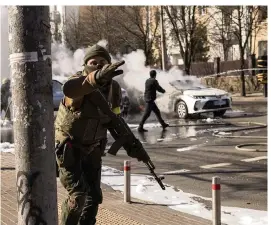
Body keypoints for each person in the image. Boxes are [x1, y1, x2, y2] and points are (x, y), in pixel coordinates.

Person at [54, 44, 125, 225]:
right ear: (86, 65)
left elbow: (115, 116)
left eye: (103, 62)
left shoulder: (114, 88)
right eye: (94, 62)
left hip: (93, 147)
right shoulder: (77, 82)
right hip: (69, 147)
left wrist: (126, 139)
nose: (99, 66)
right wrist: (96, 79)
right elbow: (71, 92)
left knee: (94, 196)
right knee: (78, 197)